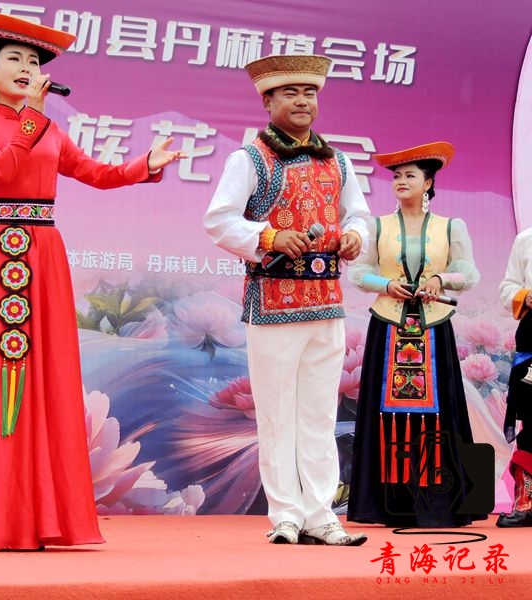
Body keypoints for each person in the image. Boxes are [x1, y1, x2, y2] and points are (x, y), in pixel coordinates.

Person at [0, 9, 184, 552]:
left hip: (44, 252)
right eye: (15, 59)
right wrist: (32, 118)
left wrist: (145, 164)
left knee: (45, 373)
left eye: (33, 61)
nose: (27, 68)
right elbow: (0, 171)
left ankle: (41, 513)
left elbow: (96, 174)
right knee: (0, 372)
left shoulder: (49, 130)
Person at [204, 54, 370, 546]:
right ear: (268, 101)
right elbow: (219, 220)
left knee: (320, 413)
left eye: (309, 93)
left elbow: (358, 214)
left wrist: (356, 236)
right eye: (290, 93)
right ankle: (285, 515)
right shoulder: (250, 158)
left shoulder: (338, 160)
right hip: (273, 302)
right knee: (277, 412)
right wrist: (270, 236)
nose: (302, 101)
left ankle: (322, 514)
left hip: (326, 301)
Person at [346, 141, 487, 528]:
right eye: (396, 176)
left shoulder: (450, 226)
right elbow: (358, 272)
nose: (401, 181)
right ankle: (386, 503)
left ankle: (441, 502)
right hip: (388, 325)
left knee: (441, 412)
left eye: (410, 175)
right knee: (384, 412)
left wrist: (440, 278)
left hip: (433, 326)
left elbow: (469, 273)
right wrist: (386, 284)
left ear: (428, 184)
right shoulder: (377, 226)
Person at [497, 227, 532, 527]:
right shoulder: (526, 240)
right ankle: (527, 500)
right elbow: (508, 286)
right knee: (531, 418)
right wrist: (525, 295)